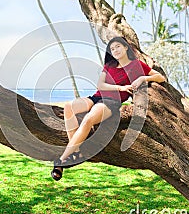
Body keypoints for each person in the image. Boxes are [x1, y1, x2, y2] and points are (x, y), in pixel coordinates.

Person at [51, 36, 166, 181]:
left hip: (111, 102)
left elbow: (160, 77)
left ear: (125, 47)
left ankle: (62, 160)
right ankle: (76, 152)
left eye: (118, 46)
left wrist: (143, 78)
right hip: (96, 97)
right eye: (112, 49)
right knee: (68, 106)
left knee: (88, 120)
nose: (115, 50)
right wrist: (121, 87)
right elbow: (100, 85)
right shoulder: (109, 66)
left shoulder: (137, 65)